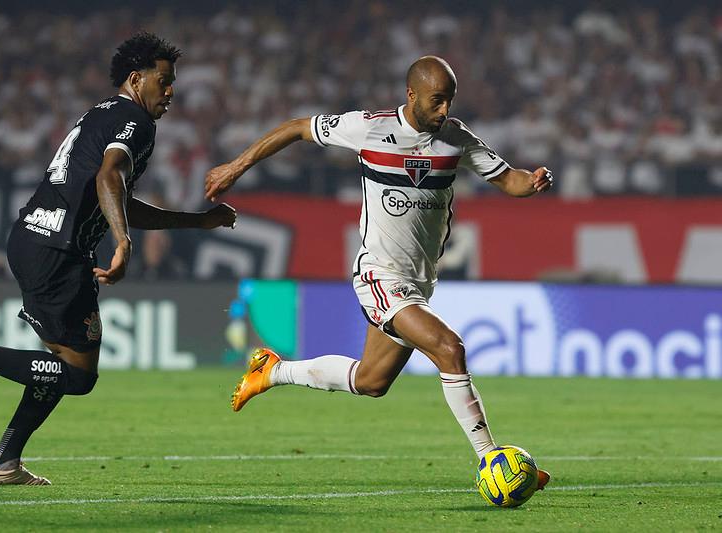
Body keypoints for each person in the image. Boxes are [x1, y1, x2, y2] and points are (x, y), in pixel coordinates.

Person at [205, 56, 551, 487]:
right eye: (437, 101)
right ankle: (492, 460)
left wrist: (532, 181)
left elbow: (508, 180)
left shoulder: (455, 137)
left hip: (419, 282)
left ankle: (273, 371)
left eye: (450, 101)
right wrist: (235, 167)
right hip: (379, 276)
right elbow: (296, 127)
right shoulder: (369, 128)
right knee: (450, 348)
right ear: (412, 95)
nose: (445, 110)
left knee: (371, 381)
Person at [0, 32, 236, 485]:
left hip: (35, 238)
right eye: (164, 81)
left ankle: (5, 463)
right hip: (57, 252)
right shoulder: (136, 122)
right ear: (136, 78)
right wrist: (123, 243)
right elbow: (110, 176)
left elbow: (116, 195)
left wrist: (196, 222)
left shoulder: (103, 113)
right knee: (78, 375)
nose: (171, 92)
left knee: (63, 363)